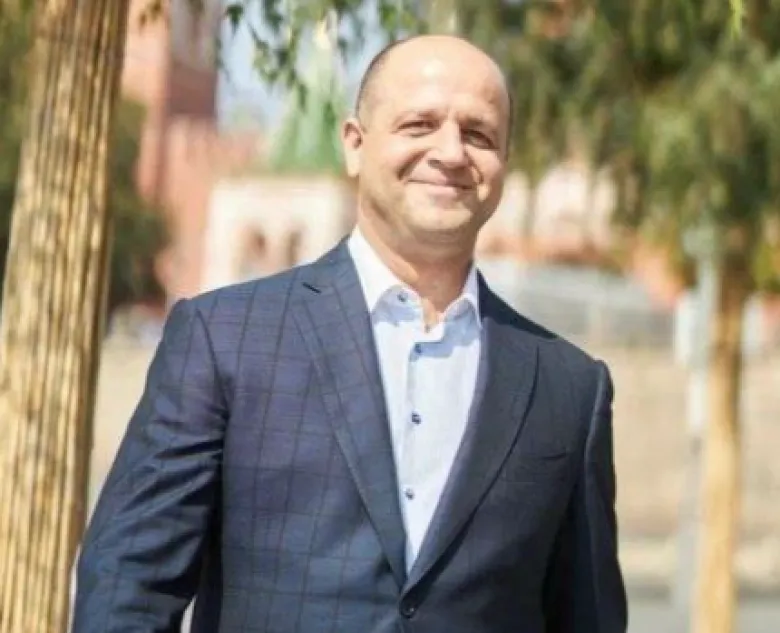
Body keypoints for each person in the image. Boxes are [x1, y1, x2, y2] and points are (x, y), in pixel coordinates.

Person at [73, 34, 627, 633]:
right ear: (355, 145)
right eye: (419, 124)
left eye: (478, 134)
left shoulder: (569, 387)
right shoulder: (223, 339)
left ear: (503, 165)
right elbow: (129, 587)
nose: (451, 152)